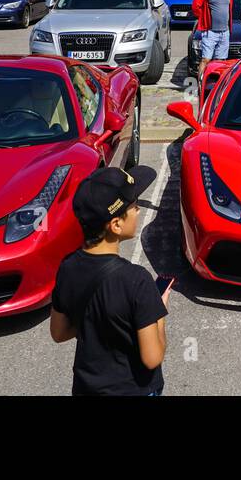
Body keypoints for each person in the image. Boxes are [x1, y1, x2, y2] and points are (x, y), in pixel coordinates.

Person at [50, 167, 170, 395]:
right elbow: (152, 357)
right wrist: (160, 314)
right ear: (115, 224)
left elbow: (59, 333)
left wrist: (98, 319)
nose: (138, 211)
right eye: (134, 207)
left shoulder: (67, 268)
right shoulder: (137, 280)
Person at [191, 0, 233, 82]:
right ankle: (201, 83)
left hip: (225, 32)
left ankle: (218, 85)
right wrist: (204, 19)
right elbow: (195, 7)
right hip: (210, 32)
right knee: (206, 59)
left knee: (221, 61)